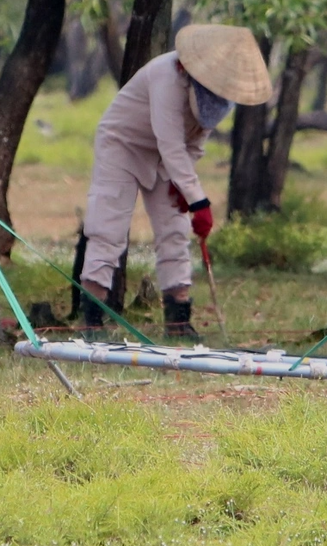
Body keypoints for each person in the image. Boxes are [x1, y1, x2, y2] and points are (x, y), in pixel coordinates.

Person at [75, 24, 271, 341]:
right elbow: (170, 143)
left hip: (170, 159)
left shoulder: (217, 89)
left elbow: (192, 143)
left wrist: (183, 187)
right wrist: (199, 200)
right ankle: (91, 324)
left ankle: (178, 322)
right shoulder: (166, 76)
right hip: (123, 145)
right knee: (107, 229)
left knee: (175, 231)